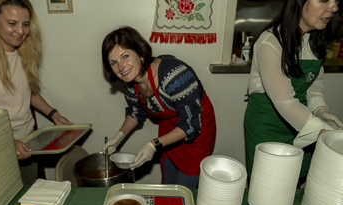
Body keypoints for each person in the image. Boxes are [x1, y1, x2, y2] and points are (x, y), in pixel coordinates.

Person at [0, 0, 72, 185]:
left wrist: (54, 115)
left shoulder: (23, 50)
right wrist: (9, 141)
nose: (21, 31)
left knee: (28, 197)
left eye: (25, 25)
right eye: (12, 23)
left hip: (27, 141)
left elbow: (27, 92)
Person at [101, 26, 216, 188]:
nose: (121, 67)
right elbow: (135, 113)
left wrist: (153, 145)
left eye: (125, 56)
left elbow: (190, 125)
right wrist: (119, 136)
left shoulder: (174, 75)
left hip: (196, 133)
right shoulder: (130, 83)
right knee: (168, 183)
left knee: (183, 187)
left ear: (141, 54)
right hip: (169, 130)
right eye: (114, 62)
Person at [244, 0, 343, 183]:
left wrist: (321, 110)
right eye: (324, 0)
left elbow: (312, 85)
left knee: (295, 181)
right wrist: (327, 134)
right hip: (268, 126)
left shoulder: (314, 39)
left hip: (303, 122)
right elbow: (286, 103)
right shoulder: (270, 42)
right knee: (269, 185)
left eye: (336, 1)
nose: (335, 7)